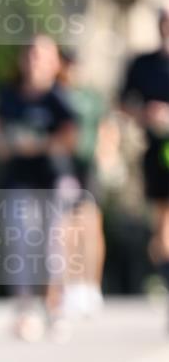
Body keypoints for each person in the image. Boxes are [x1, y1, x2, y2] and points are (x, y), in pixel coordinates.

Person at [0, 35, 78, 341]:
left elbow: (71, 138)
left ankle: (56, 308)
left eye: (42, 55)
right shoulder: (9, 95)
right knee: (21, 242)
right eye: (30, 54)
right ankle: (25, 310)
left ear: (54, 62)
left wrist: (41, 144)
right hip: (19, 179)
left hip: (54, 180)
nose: (34, 61)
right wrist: (8, 144)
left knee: (53, 246)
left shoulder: (59, 97)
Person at [118, 2, 169, 309]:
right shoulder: (143, 64)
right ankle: (164, 275)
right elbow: (123, 103)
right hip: (157, 151)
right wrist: (146, 115)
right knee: (161, 222)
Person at [56, 48, 107, 317]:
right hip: (63, 165)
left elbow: (105, 127)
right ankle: (71, 286)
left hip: (88, 165)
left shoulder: (90, 96)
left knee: (90, 224)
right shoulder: (55, 94)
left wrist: (107, 155)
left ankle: (91, 286)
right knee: (65, 227)